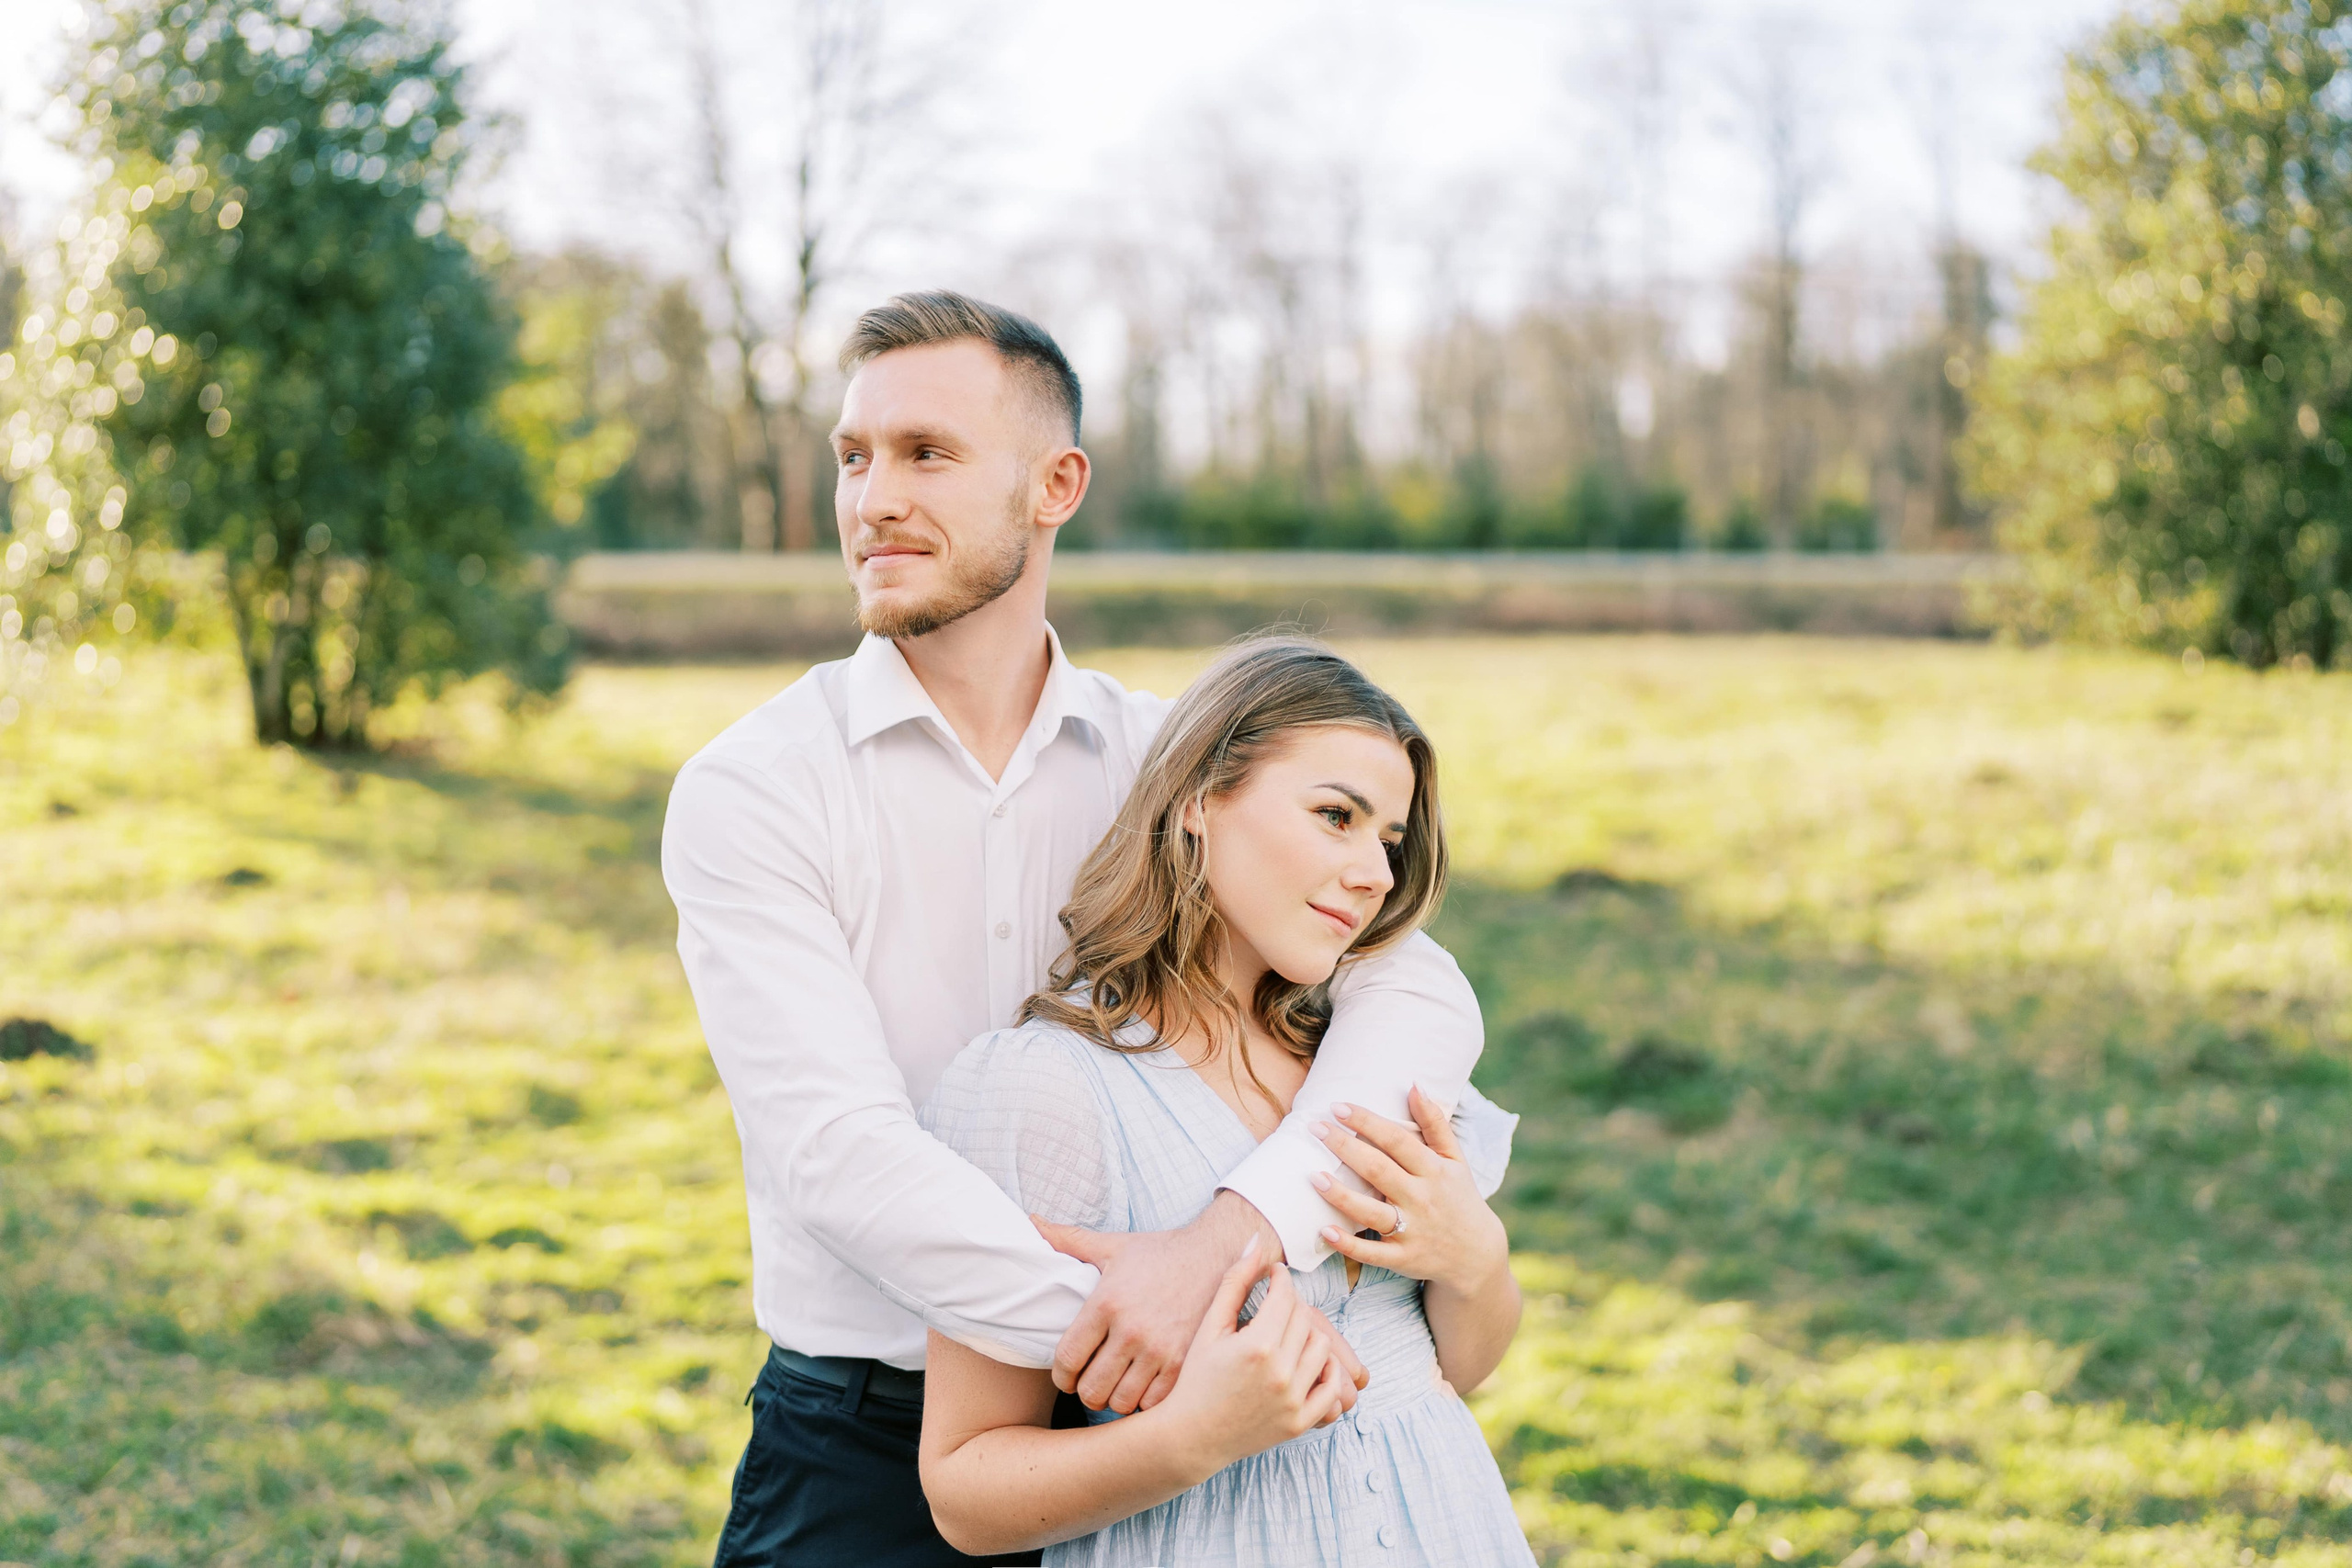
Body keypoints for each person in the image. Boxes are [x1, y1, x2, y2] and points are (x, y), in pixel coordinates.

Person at [661, 290, 1503, 1565]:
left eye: (926, 452)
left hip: (1202, 1476)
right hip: (874, 1442)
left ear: (1057, 483)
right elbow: (837, 1150)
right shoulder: (759, 783)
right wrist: (1171, 1327)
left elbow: (1418, 988)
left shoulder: (1167, 757)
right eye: (853, 456)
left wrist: (1230, 1240)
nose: (871, 497)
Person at [917, 637, 1534, 1566]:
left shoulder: (1357, 1055)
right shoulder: (1046, 1087)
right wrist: (1192, 1439)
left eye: (1390, 842)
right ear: (1201, 799)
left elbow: (1454, 1371)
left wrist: (1475, 1260)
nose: (1374, 872)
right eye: (1337, 816)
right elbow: (964, 1491)